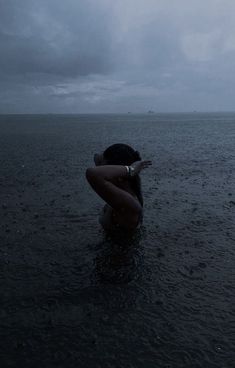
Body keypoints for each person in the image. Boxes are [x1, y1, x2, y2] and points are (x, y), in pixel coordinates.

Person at [85, 143, 152, 231]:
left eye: (104, 167)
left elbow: (92, 173)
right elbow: (97, 158)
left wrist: (131, 170)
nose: (99, 167)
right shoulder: (121, 193)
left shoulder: (130, 206)